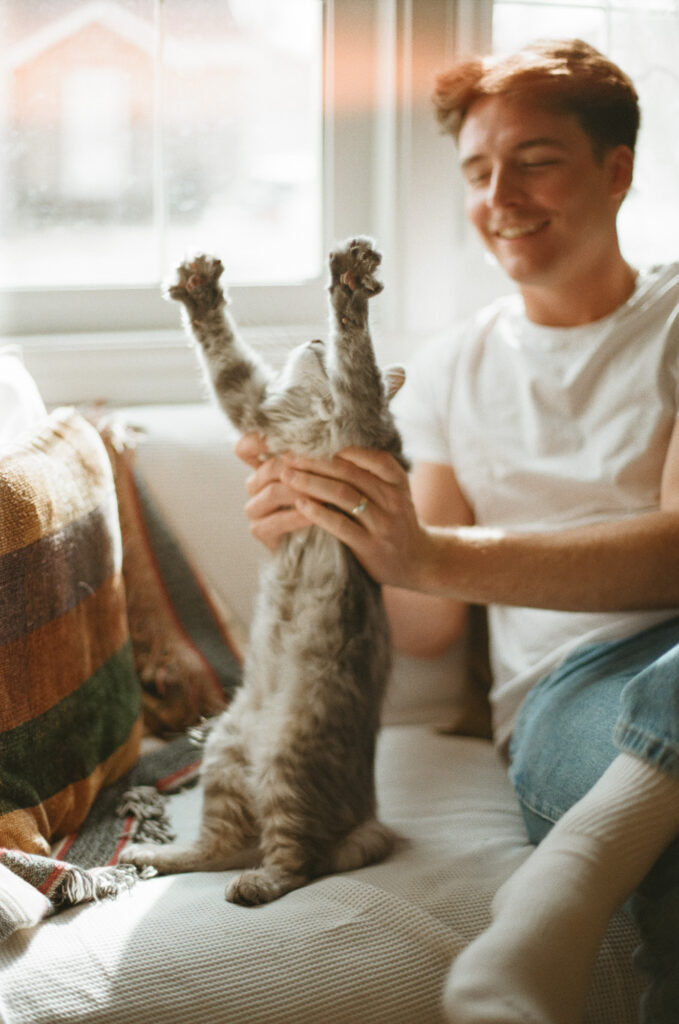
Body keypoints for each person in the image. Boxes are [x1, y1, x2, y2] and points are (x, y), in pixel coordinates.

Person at [236, 39, 679, 1024]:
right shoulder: (447, 367)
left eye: (534, 159)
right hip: (564, 697)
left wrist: (430, 550)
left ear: (617, 168)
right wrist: (322, 535)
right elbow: (426, 621)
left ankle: (549, 903)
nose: (500, 195)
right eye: (478, 171)